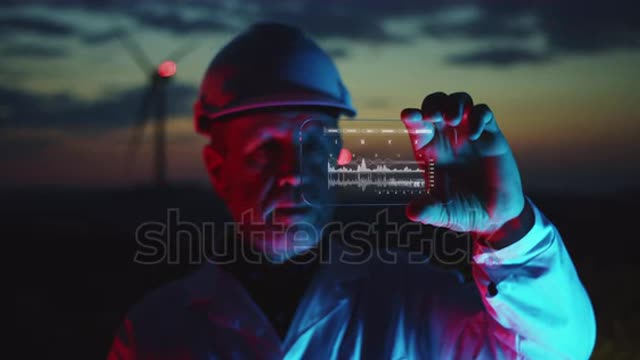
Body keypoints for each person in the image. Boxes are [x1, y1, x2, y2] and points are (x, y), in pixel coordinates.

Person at [107, 23, 596, 359]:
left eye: (313, 144)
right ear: (217, 168)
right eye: (262, 150)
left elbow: (555, 350)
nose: (294, 173)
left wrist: (509, 231)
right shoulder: (153, 330)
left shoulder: (414, 298)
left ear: (341, 156)